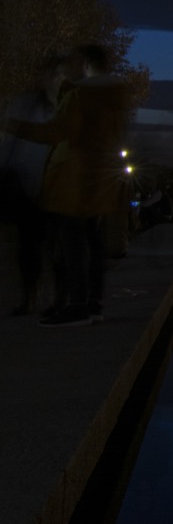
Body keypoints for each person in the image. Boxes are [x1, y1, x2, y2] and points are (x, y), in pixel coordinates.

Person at [5, 45, 131, 327]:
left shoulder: (82, 96)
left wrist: (14, 126)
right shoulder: (114, 97)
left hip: (75, 181)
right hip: (98, 181)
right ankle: (93, 304)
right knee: (93, 244)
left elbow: (57, 132)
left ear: (86, 64)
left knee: (71, 245)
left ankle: (77, 306)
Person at [1, 55, 65, 315]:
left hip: (54, 186)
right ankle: (32, 297)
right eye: (55, 74)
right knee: (29, 247)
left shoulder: (66, 106)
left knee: (55, 248)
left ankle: (55, 298)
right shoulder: (26, 104)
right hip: (26, 185)